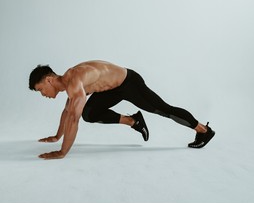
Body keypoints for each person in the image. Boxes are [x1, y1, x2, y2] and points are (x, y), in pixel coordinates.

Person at [29, 60, 215, 159]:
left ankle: (204, 131)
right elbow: (67, 112)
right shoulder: (70, 85)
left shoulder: (74, 81)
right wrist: (57, 136)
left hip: (128, 83)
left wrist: (62, 152)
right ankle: (134, 121)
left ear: (49, 80)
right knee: (89, 113)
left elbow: (73, 119)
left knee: (163, 109)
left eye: (40, 90)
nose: (42, 94)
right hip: (111, 89)